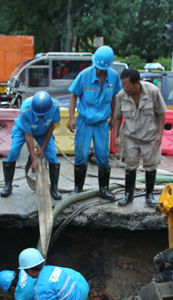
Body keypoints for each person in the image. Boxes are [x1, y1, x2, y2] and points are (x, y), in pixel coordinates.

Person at [68, 45, 122, 200]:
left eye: (102, 69)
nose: (99, 72)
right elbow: (73, 96)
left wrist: (113, 117)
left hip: (102, 123)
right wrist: (72, 118)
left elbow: (113, 98)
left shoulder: (113, 77)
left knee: (103, 155)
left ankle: (104, 189)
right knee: (81, 154)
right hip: (85, 121)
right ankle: (78, 189)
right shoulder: (84, 75)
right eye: (97, 68)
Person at [113, 68, 166, 207]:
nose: (125, 88)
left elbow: (161, 113)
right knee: (130, 165)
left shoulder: (152, 91)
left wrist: (160, 134)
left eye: (127, 85)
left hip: (150, 136)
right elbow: (117, 117)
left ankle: (149, 195)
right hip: (130, 136)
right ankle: (128, 194)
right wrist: (115, 136)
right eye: (122, 85)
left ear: (137, 83)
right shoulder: (121, 95)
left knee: (150, 165)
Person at [0, 91, 62, 200]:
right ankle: (8, 185)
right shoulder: (26, 109)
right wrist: (33, 158)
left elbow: (51, 128)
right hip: (23, 129)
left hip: (44, 131)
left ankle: (54, 188)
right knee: (13, 151)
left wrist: (42, 148)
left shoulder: (55, 107)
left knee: (52, 156)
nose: (39, 116)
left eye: (41, 114)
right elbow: (28, 135)